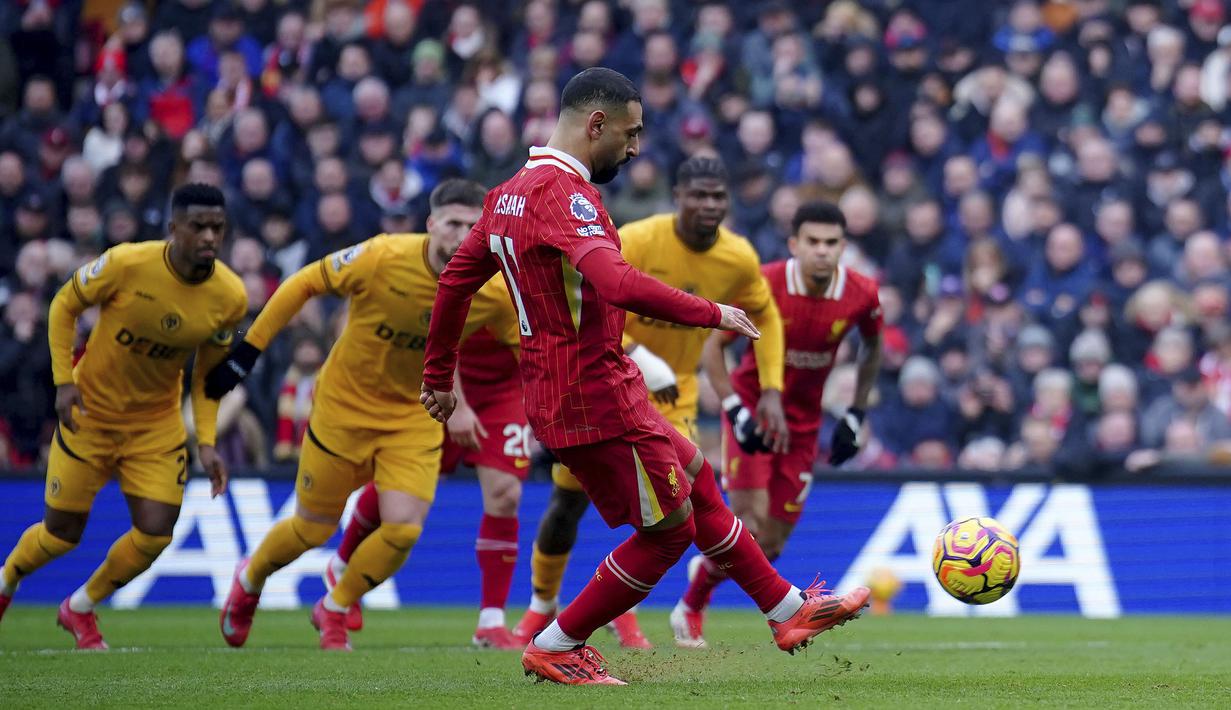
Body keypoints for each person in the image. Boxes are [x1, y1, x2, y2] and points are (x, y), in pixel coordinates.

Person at [420, 67, 869, 685]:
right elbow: (618, 283)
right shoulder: (564, 196)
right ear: (595, 123)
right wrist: (712, 312)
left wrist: (438, 374)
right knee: (668, 533)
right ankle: (555, 644)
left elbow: (454, 281)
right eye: (629, 134)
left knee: (697, 477)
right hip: (590, 395)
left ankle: (787, 610)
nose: (634, 149)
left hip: (592, 385)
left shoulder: (509, 195)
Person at [206, 179, 519, 651]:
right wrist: (249, 351)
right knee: (313, 528)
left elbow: (529, 346)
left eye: (473, 226)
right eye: (453, 223)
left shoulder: (493, 290)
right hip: (344, 408)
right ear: (431, 224)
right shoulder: (382, 256)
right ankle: (250, 578)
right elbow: (305, 282)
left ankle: (334, 607)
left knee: (404, 528)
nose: (462, 234)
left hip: (413, 415)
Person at [510, 155, 789, 649]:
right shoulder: (638, 239)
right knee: (567, 504)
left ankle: (625, 615)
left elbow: (764, 314)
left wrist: (770, 388)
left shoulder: (739, 257)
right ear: (677, 197)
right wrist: (638, 352)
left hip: (673, 395)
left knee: (676, 504)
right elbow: (592, 302)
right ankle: (542, 606)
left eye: (717, 196)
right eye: (698, 195)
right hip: (607, 384)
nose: (709, 205)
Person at [0, 184, 246, 649]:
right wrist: (64, 381)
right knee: (61, 535)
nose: (209, 237)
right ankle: (7, 579)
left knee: (156, 533)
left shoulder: (230, 296)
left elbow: (207, 376)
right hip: (90, 415)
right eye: (198, 226)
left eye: (218, 228)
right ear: (173, 228)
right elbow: (64, 304)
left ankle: (80, 606)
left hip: (156, 426)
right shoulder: (126, 263)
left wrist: (207, 441)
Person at [674, 200, 884, 647]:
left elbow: (873, 346)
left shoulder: (862, 293)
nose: (822, 251)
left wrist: (856, 411)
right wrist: (734, 409)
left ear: (843, 247)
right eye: (813, 241)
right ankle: (692, 606)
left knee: (769, 544)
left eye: (831, 243)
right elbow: (713, 346)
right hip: (754, 410)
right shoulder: (763, 283)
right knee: (747, 524)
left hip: (803, 425)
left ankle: (706, 572)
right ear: (794, 244)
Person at [320, 304, 531, 650]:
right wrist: (455, 401)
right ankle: (342, 565)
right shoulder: (477, 271)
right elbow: (442, 322)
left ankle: (491, 622)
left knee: (507, 494)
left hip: (505, 388)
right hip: (441, 381)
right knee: (402, 486)